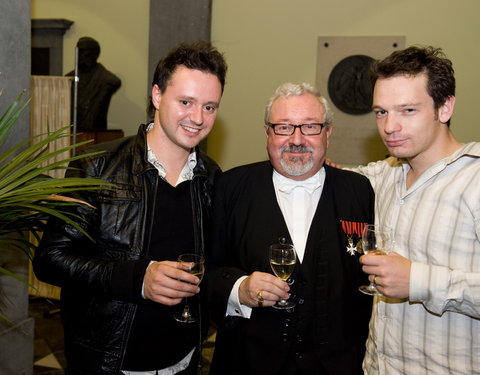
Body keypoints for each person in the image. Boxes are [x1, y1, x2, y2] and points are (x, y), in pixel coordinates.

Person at [33, 41, 227, 375]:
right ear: (156, 95)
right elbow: (51, 260)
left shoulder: (212, 178)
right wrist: (137, 278)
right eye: (186, 102)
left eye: (210, 107)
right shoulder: (97, 166)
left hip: (184, 360)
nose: (198, 118)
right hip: (109, 361)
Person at [207, 82, 374, 375]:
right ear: (267, 133)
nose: (296, 139)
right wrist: (238, 289)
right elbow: (204, 270)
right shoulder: (229, 188)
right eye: (284, 127)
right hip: (247, 363)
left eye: (310, 127)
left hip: (340, 364)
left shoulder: (359, 191)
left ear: (328, 133)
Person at [352, 46, 480, 374]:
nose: (390, 126)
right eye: (381, 112)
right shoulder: (381, 177)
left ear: (445, 106)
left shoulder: (475, 179)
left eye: (407, 110)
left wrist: (418, 280)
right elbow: (323, 176)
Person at [66, 36, 121, 131]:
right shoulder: (68, 79)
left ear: (94, 54)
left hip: (94, 133)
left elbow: (115, 82)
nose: (78, 54)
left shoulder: (107, 80)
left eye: (82, 51)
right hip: (72, 132)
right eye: (77, 50)